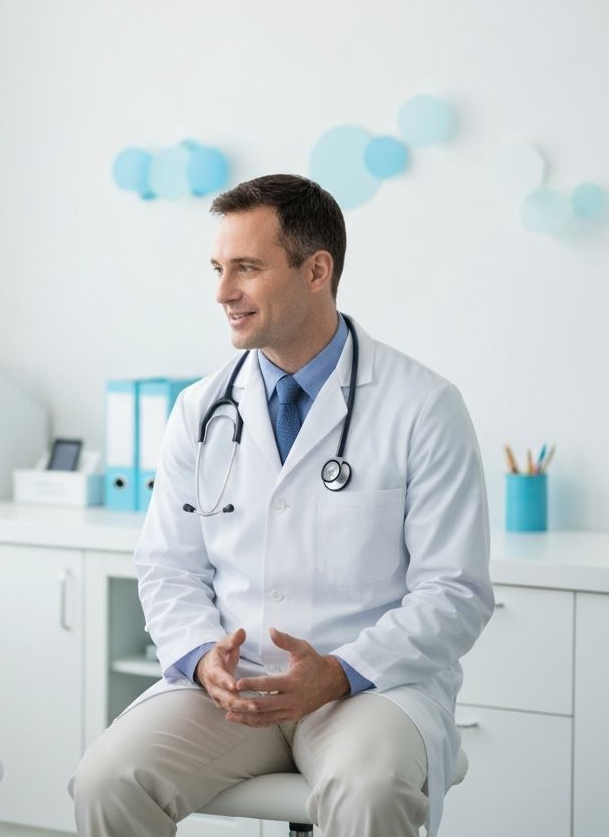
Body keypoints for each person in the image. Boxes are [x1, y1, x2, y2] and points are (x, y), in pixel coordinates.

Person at [72, 174, 493, 837]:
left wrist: (341, 672)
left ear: (316, 270)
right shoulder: (201, 409)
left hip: (373, 685)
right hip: (234, 688)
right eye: (217, 268)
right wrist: (200, 657)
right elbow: (167, 567)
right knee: (108, 781)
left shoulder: (423, 406)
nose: (222, 293)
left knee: (369, 793)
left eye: (247, 268)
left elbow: (455, 591)